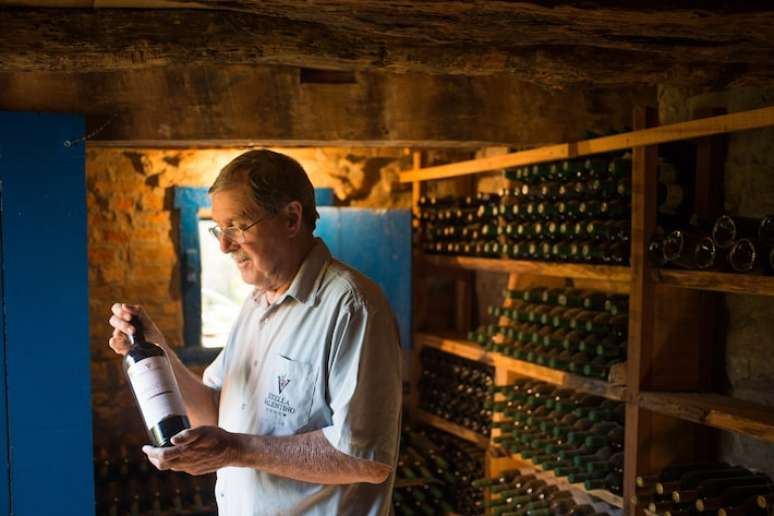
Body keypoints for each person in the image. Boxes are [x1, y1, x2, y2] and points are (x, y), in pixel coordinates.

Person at [108, 149, 403, 516]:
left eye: (236, 227)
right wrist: (155, 348)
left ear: (292, 218)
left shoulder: (352, 307)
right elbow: (215, 411)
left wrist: (236, 450)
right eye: (219, 228)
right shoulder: (256, 305)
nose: (224, 245)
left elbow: (365, 457)